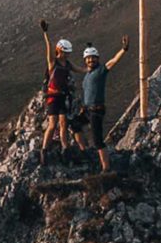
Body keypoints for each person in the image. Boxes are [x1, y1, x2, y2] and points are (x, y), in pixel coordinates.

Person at [77, 37, 129, 170]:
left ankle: (106, 168)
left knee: (98, 140)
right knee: (74, 125)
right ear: (85, 60)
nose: (91, 60)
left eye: (93, 58)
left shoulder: (101, 70)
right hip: (87, 110)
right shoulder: (87, 76)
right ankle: (84, 152)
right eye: (88, 58)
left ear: (97, 59)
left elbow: (113, 62)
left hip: (96, 110)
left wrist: (123, 50)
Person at [37, 23, 75, 158]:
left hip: (62, 97)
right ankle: (44, 150)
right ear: (60, 51)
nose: (67, 55)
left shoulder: (68, 64)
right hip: (53, 97)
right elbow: (49, 47)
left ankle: (65, 148)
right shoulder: (53, 62)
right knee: (52, 124)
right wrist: (45, 33)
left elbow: (81, 69)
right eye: (66, 52)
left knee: (63, 124)